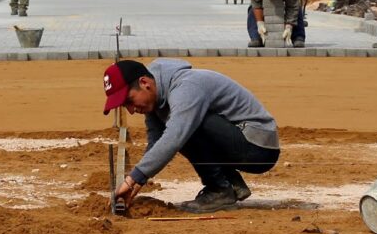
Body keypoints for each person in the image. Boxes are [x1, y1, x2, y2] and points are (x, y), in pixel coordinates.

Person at [104, 59, 280, 214]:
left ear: (144, 83)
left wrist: (134, 177)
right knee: (180, 125)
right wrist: (135, 182)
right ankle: (229, 181)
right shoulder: (155, 99)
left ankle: (219, 189)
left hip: (259, 147)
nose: (131, 110)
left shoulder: (186, 87)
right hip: (238, 139)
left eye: (129, 101)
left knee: (183, 126)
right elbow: (156, 143)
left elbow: (174, 137)